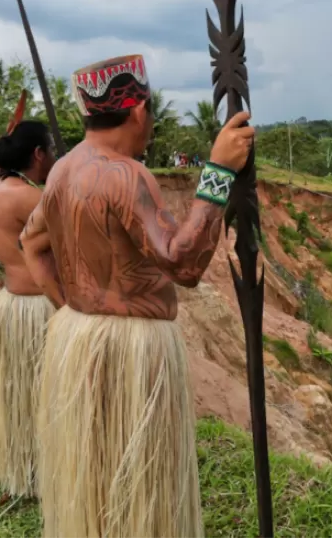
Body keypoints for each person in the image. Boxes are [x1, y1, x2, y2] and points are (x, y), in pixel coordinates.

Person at [22, 55, 253, 538]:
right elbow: (184, 264)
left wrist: (67, 308)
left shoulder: (62, 171)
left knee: (99, 474)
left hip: (78, 337)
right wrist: (219, 172)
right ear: (139, 111)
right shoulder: (125, 175)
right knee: (140, 477)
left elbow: (31, 241)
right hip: (134, 350)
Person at [0, 121, 56, 499]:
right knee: (42, 393)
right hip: (35, 307)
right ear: (39, 154)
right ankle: (42, 471)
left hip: (13, 303)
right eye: (52, 150)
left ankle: (28, 469)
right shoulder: (30, 198)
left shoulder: (2, 189)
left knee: (23, 392)